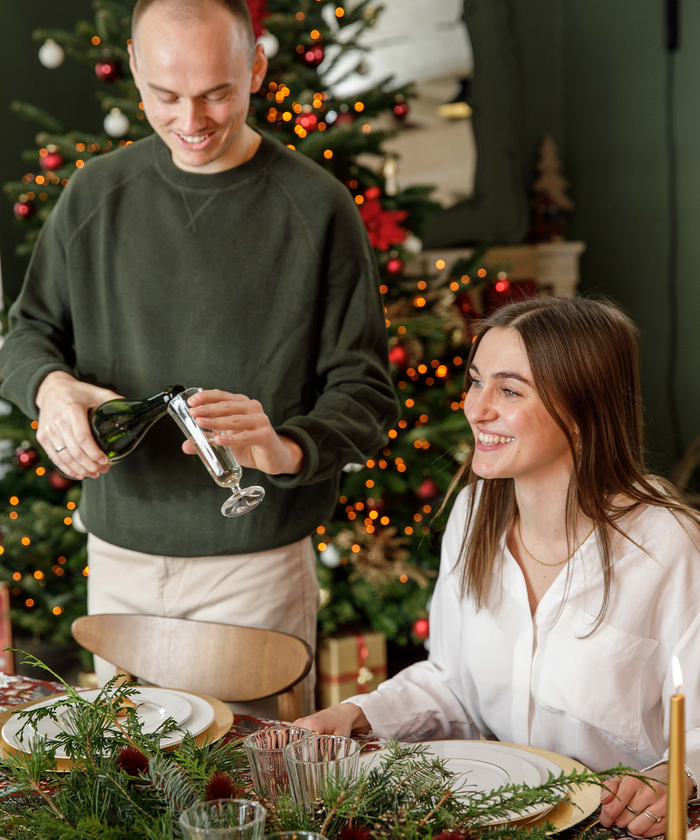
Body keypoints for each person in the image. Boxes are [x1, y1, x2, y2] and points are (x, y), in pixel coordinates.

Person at [0, 0, 397, 715]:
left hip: (256, 569)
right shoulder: (94, 193)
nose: (191, 120)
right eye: (165, 96)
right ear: (133, 71)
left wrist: (287, 448)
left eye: (216, 92)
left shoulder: (317, 205)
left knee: (259, 796)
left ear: (257, 68)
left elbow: (365, 391)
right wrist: (51, 390)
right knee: (122, 799)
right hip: (117, 558)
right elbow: (26, 332)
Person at [295, 296, 700, 837]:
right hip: (496, 820)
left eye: (509, 390)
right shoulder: (471, 515)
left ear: (583, 410)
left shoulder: (668, 544)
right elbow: (452, 685)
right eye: (476, 381)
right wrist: (355, 714)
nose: (475, 408)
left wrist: (676, 774)